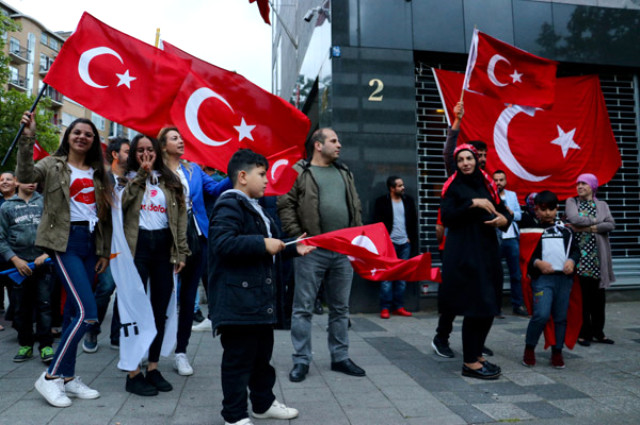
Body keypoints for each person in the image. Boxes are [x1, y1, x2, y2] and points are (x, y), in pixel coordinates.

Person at [209, 149, 313, 425]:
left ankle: (263, 403)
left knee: (261, 358)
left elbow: (271, 248)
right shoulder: (229, 204)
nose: (267, 180)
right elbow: (222, 243)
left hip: (257, 302)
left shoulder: (256, 207)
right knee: (238, 360)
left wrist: (291, 248)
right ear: (242, 176)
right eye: (262, 174)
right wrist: (261, 243)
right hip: (237, 301)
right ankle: (234, 414)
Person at [17, 111, 112, 407]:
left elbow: (105, 216)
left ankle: (68, 378)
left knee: (73, 313)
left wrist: (104, 252)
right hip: (64, 241)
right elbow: (25, 176)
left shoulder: (99, 171)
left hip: (89, 242)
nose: (82, 137)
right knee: (88, 313)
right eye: (77, 132)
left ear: (94, 141)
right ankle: (50, 377)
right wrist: (28, 137)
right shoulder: (53, 165)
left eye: (88, 134)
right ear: (68, 137)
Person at [278, 127, 365, 383]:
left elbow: (356, 204)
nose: (339, 145)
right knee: (302, 308)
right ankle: (301, 360)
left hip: (342, 250)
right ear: (318, 145)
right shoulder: (299, 172)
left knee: (341, 308)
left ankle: (340, 357)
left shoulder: (344, 172)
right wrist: (297, 236)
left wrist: (356, 237)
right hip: (311, 250)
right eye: (334, 140)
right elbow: (285, 204)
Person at [159, 126, 231, 375]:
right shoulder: (156, 172)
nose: (181, 141)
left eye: (181, 138)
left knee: (189, 298)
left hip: (197, 238)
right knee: (164, 296)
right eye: (174, 138)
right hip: (165, 242)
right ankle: (152, 349)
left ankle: (181, 352)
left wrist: (235, 170)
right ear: (163, 145)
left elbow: (215, 190)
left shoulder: (194, 169)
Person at [121, 134, 189, 396]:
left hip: (163, 247)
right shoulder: (125, 179)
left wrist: (181, 252)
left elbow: (181, 218)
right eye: (140, 150)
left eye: (150, 150)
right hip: (136, 247)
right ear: (133, 154)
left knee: (160, 308)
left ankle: (153, 366)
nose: (145, 154)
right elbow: (122, 206)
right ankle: (132, 371)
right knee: (135, 311)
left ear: (158, 152)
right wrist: (140, 175)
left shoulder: (170, 182)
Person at [439, 144, 512, 379]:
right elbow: (447, 216)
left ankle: (477, 355)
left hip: (488, 252)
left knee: (489, 306)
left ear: (476, 159)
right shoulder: (453, 186)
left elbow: (503, 210)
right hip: (464, 254)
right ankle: (469, 363)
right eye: (460, 160)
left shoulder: (487, 183)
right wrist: (473, 203)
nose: (465, 163)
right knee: (475, 306)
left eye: (469, 158)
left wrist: (504, 220)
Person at [433, 102, 494, 359]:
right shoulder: (455, 176)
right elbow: (449, 152)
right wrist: (457, 121)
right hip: (458, 247)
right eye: (467, 157)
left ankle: (475, 342)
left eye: (478, 156)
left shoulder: (486, 181)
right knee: (454, 296)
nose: (471, 161)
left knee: (479, 295)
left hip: (479, 249)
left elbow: (500, 211)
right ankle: (442, 337)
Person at [521, 191, 580, 369]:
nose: (547, 213)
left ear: (557, 209)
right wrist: (537, 263)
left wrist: (571, 261)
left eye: (551, 209)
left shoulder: (566, 230)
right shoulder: (530, 230)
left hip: (563, 279)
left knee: (561, 317)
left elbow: (575, 251)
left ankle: (557, 351)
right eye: (543, 209)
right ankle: (529, 348)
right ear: (536, 210)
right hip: (542, 280)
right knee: (541, 314)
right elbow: (524, 256)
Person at [83, 137, 130, 353]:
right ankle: (92, 329)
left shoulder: (135, 179)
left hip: (131, 244)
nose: (132, 156)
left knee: (125, 291)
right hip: (109, 245)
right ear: (115, 154)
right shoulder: (102, 179)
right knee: (105, 288)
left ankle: (117, 335)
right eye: (127, 152)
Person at [0, 179, 54, 363]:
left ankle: (46, 345)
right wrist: (14, 259)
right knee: (21, 308)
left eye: (34, 179)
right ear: (16, 182)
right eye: (25, 179)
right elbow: (0, 238)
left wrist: (47, 253)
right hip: (18, 267)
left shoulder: (45, 202)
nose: (31, 183)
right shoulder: (6, 207)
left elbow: (57, 231)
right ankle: (25, 345)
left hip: (43, 264)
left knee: (45, 306)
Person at [564, 174, 616, 346]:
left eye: (583, 183)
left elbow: (611, 224)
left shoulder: (602, 205)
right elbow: (573, 219)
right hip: (580, 258)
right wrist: (597, 224)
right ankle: (583, 333)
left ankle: (598, 333)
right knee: (583, 298)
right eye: (578, 183)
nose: (579, 186)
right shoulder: (572, 202)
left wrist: (586, 228)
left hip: (597, 258)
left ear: (592, 186)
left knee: (599, 299)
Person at [372, 176, 418, 319]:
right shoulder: (382, 202)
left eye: (403, 185)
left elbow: (413, 221)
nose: (403, 187)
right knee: (386, 276)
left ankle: (399, 306)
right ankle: (385, 307)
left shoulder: (408, 201)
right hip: (388, 244)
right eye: (399, 186)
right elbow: (376, 223)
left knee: (402, 276)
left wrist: (410, 238)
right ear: (392, 188)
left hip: (405, 244)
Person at [492, 170, 528, 317]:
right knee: (495, 275)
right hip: (496, 239)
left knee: (516, 274)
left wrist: (511, 213)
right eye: (496, 180)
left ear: (506, 181)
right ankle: (496, 308)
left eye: (501, 180)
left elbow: (519, 214)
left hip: (511, 238)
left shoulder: (512, 195)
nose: (499, 183)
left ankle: (517, 305)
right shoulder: (490, 196)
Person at [0, 171, 19, 324]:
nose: (4, 182)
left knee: (16, 287)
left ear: (16, 182)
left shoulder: (22, 201)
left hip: (17, 252)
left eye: (8, 179)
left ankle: (17, 317)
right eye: (1, 180)